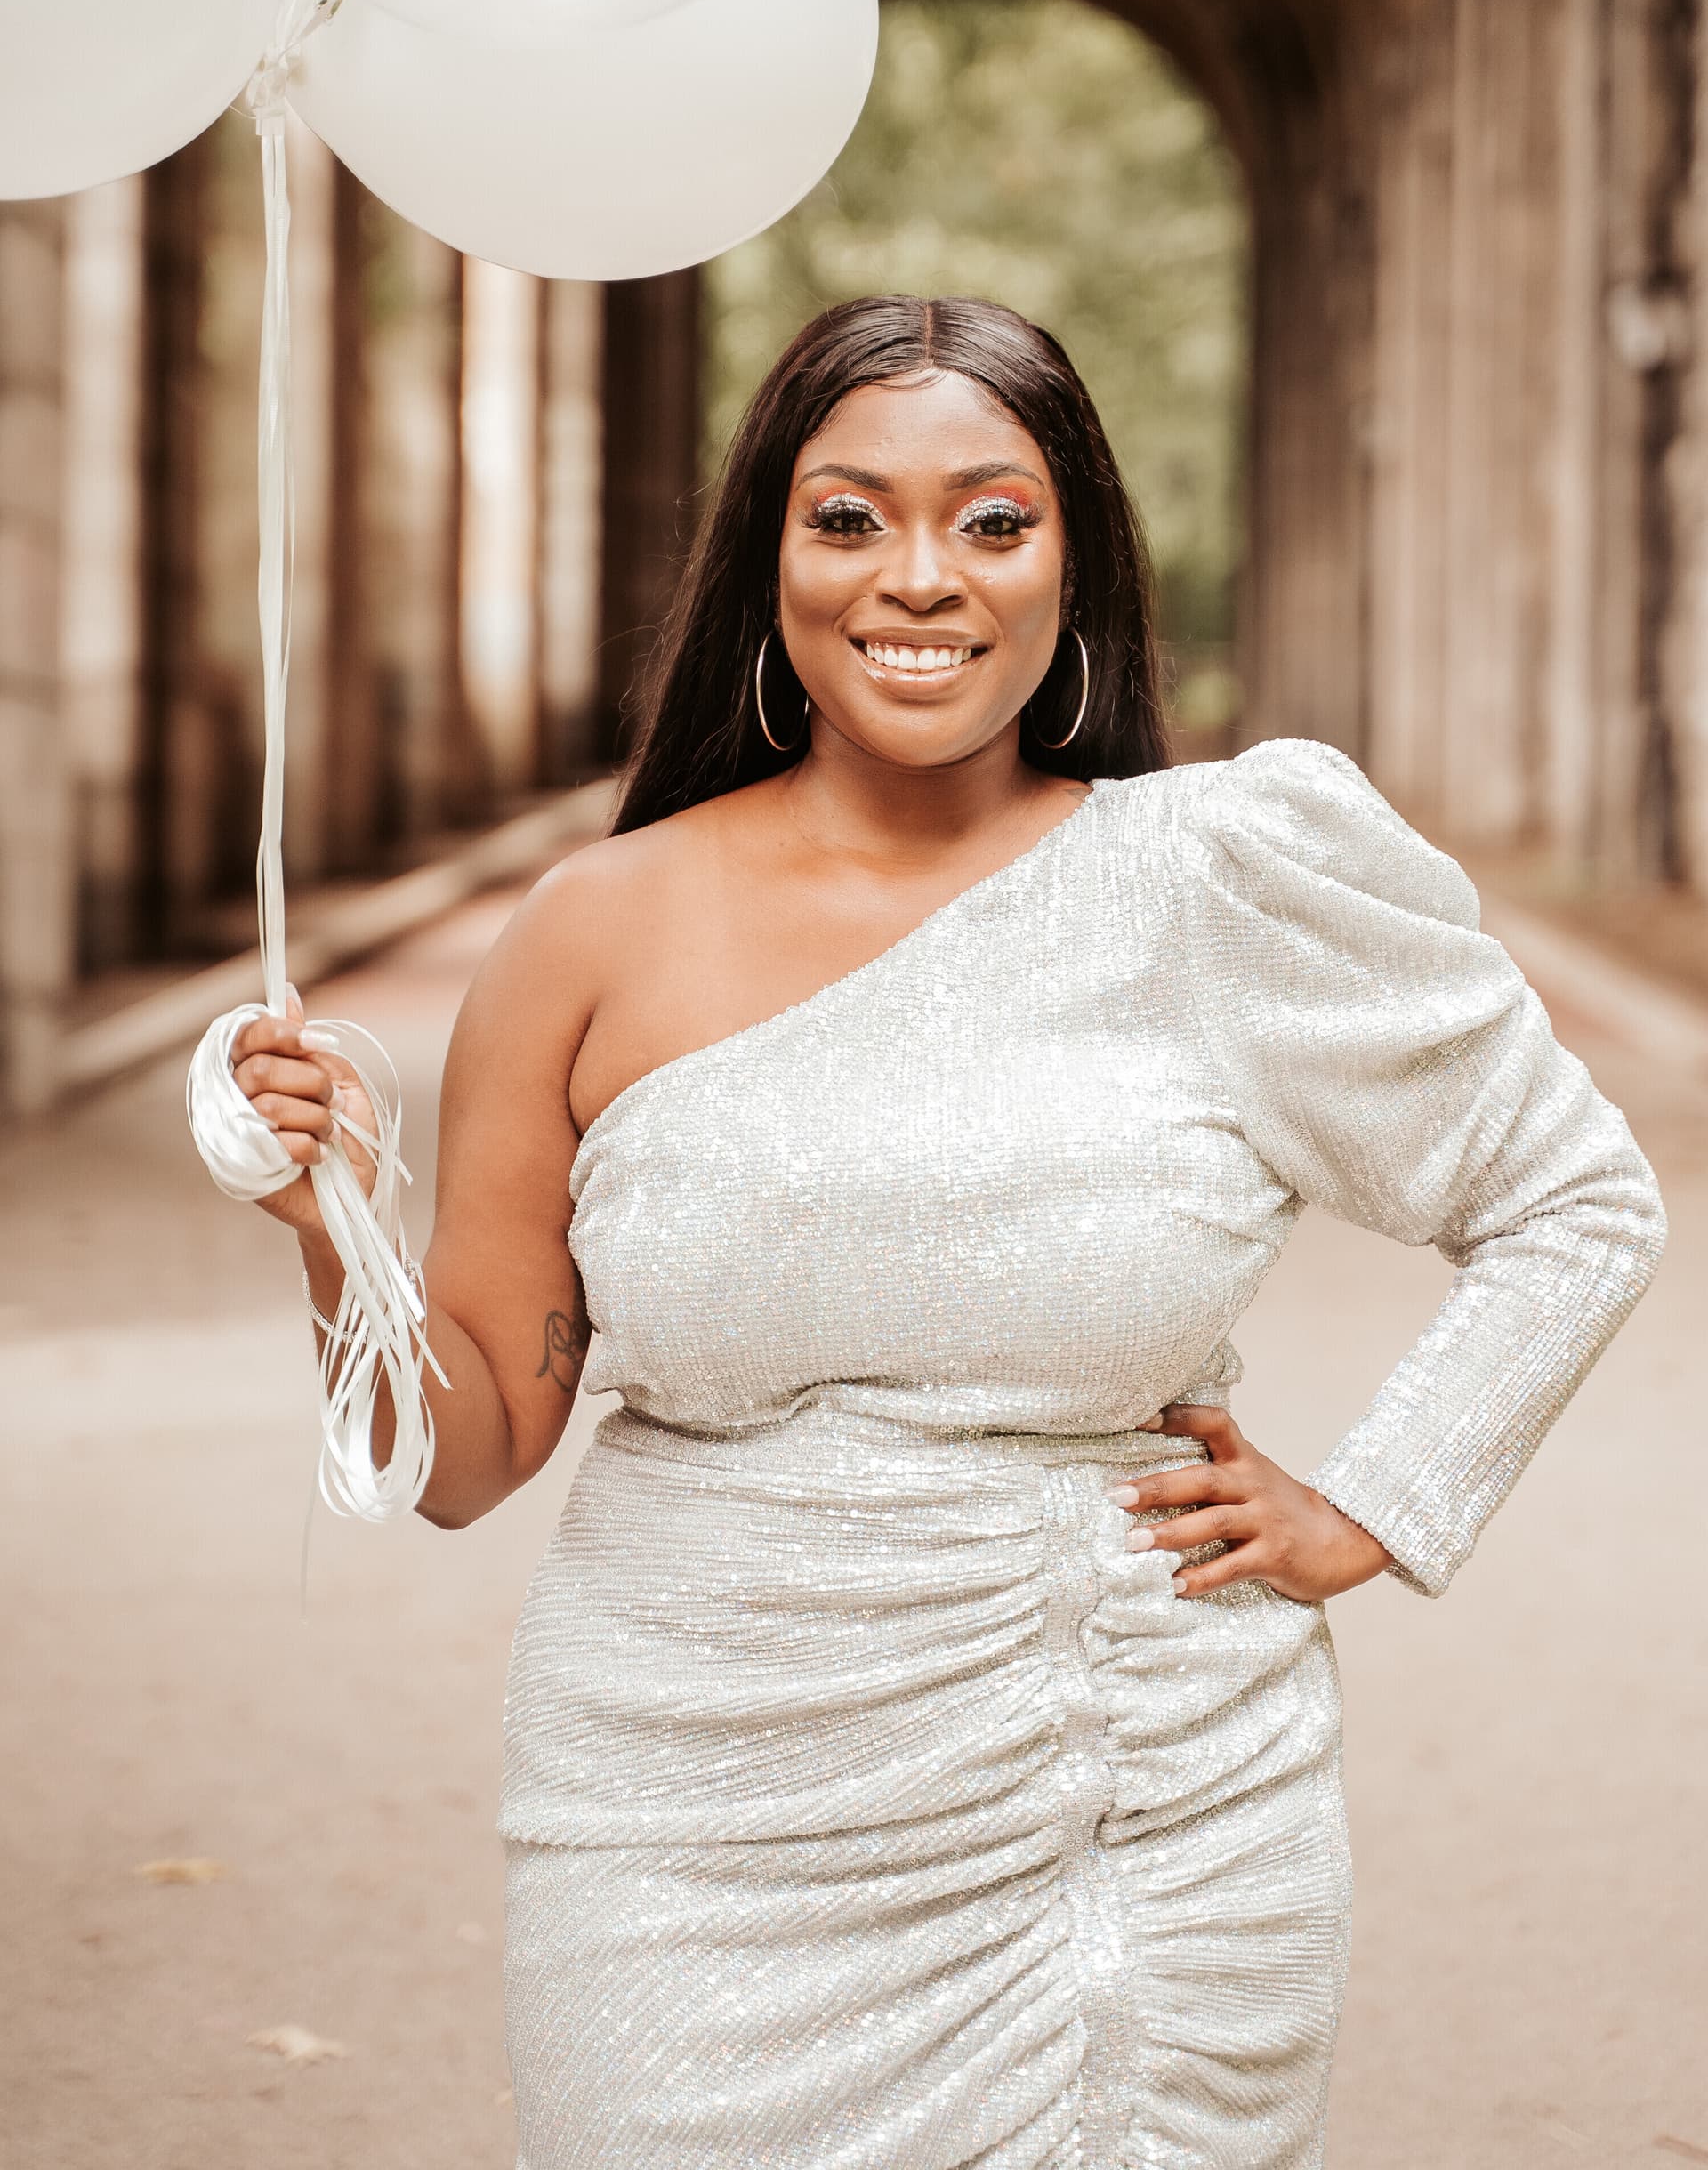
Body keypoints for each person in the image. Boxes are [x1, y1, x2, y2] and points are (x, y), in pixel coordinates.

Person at [226, 297, 1664, 2169]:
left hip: (1131, 1816)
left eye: (994, 519)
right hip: (683, 1823)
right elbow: (467, 1453)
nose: (920, 577)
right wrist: (327, 1212)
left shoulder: (1215, 885)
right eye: (849, 518)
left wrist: (1381, 1505)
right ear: (770, 563)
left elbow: (1573, 1196)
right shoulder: (591, 932)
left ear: (1079, 566)